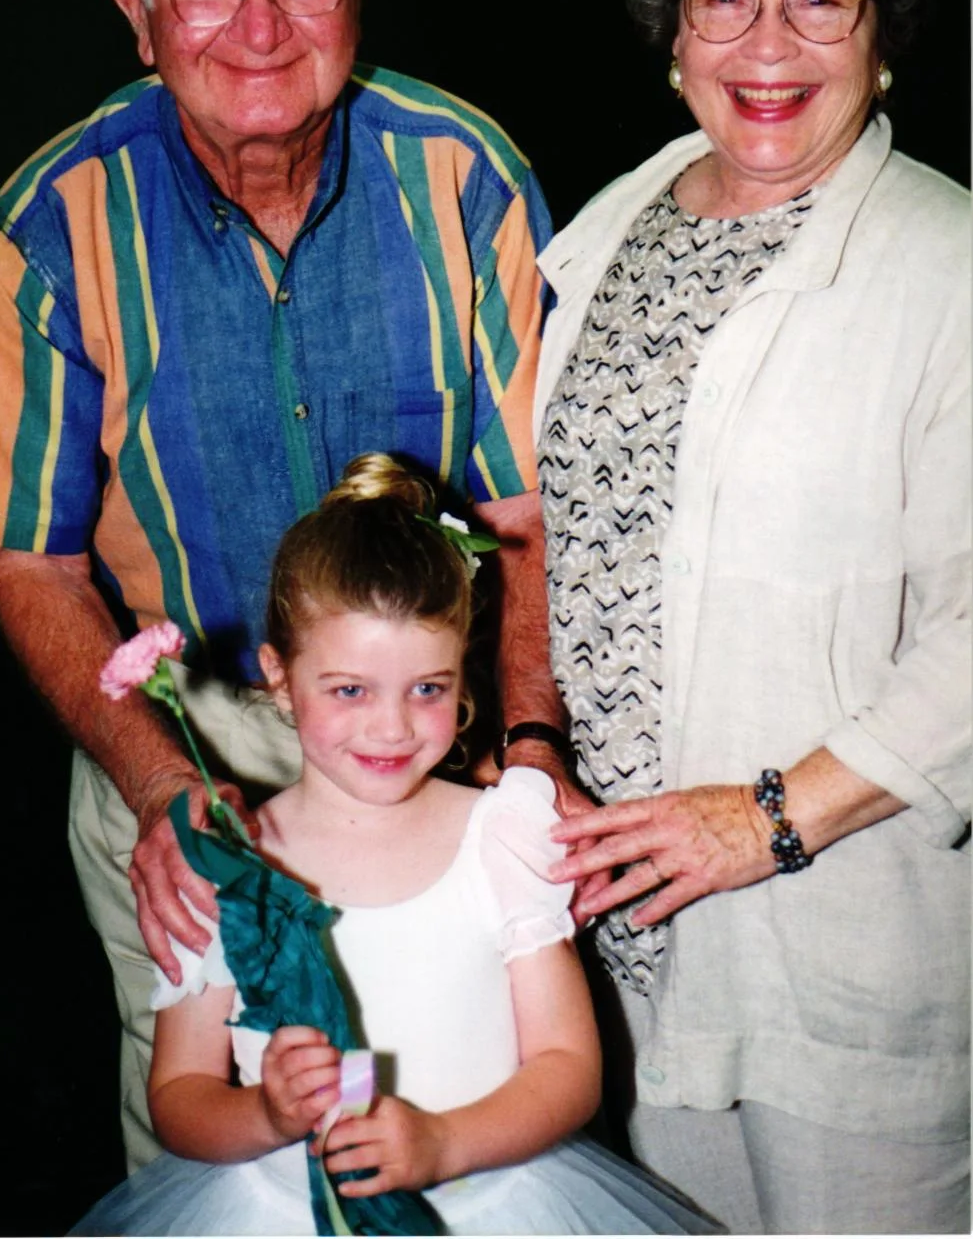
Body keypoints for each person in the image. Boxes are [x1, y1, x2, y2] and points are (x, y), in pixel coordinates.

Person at [0, 0, 569, 1170]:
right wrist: (164, 792)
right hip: (188, 761)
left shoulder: (467, 179)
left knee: (476, 1134)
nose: (259, 27)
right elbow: (28, 554)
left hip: (441, 761)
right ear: (134, 5)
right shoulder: (53, 223)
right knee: (225, 1159)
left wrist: (531, 751)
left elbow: (527, 515)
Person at [516, 0, 970, 1234]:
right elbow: (546, 536)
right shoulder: (603, 233)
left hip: (833, 942)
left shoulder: (947, 268)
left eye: (820, 0)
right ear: (673, 31)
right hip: (621, 954)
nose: (767, 42)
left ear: (883, 38)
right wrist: (534, 749)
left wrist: (767, 821)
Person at [72, 454, 720, 1236]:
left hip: (490, 1205)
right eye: (349, 690)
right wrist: (266, 1114)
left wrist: (444, 1141)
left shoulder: (500, 835)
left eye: (427, 689)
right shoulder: (225, 863)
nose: (392, 728)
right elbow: (179, 1098)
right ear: (279, 677)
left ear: (461, 674)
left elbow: (567, 1068)